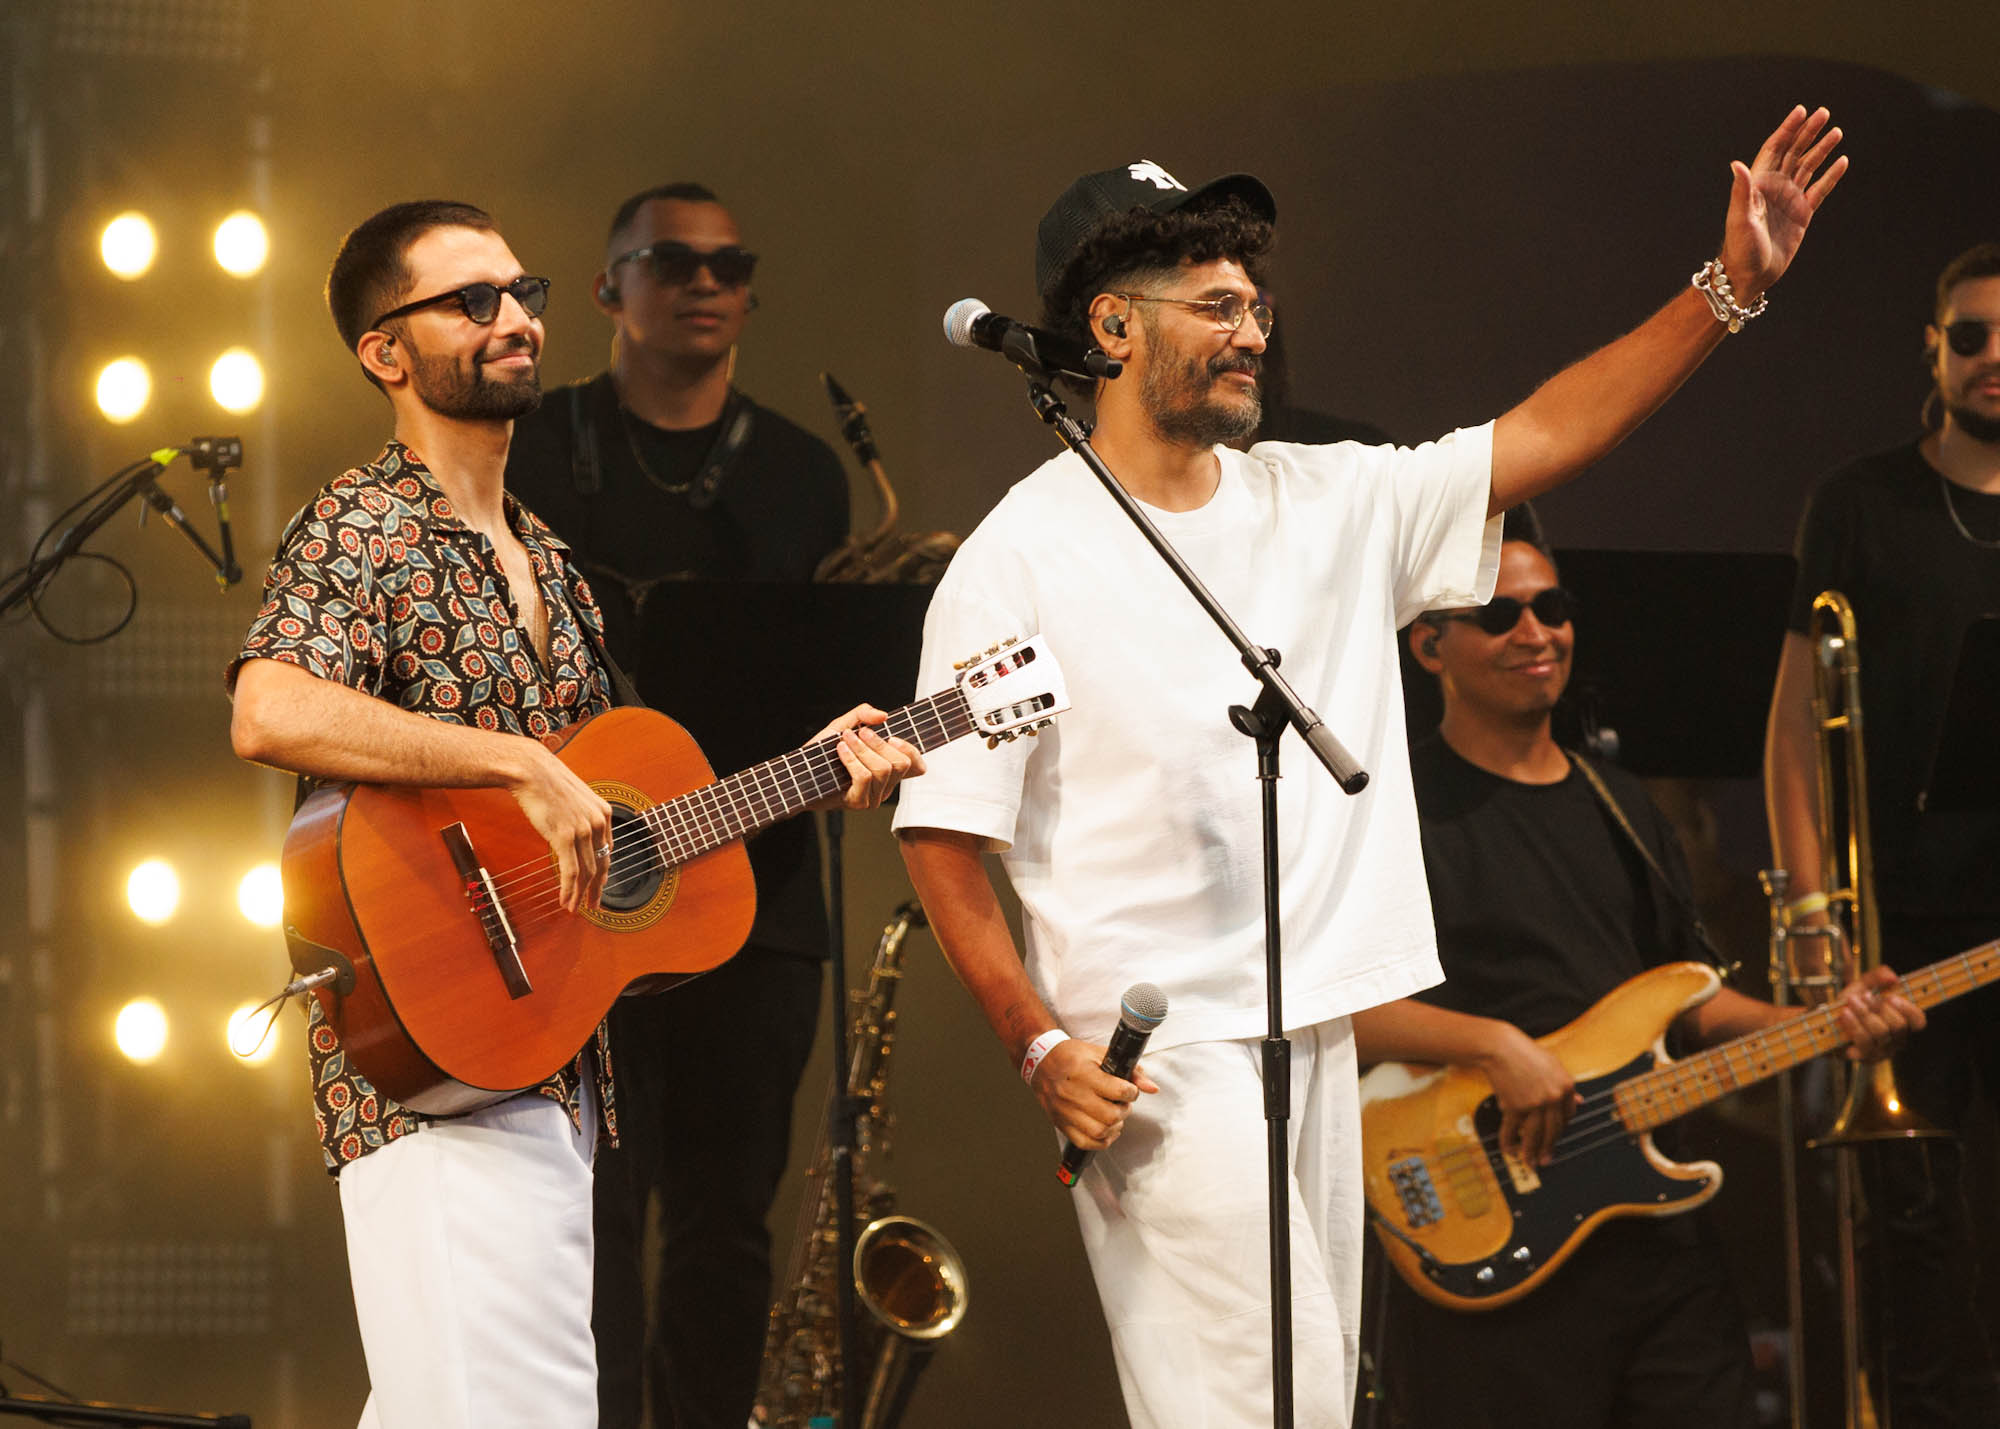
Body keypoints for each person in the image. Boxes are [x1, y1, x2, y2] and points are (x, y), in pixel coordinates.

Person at [893, 107, 1849, 1429]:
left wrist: (1728, 289)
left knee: (1314, 1404)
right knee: (1242, 1405)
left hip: (1316, 1029)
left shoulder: (1324, 498)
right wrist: (1035, 1037)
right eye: (1215, 302)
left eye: (1257, 302)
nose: (1251, 330)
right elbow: (942, 825)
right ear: (1112, 328)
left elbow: (1547, 434)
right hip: (1162, 1057)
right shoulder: (1021, 556)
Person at [226, 199, 918, 1429]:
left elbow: (631, 820)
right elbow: (271, 708)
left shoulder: (549, 558)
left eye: (521, 292)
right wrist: (513, 764)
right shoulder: (363, 521)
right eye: (471, 300)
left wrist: (806, 765)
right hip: (423, 1047)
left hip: (551, 1056)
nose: (514, 318)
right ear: (385, 352)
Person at [1350, 520, 1919, 1429]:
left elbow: (1686, 999)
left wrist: (1826, 1024)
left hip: (1655, 1243)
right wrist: (1495, 1046)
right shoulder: (1392, 817)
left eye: (1554, 608)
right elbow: (1331, 1010)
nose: (1537, 633)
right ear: (1429, 646)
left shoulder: (1623, 804)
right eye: (1500, 615)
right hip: (1491, 1227)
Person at [504, 181, 851, 1429]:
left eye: (729, 264)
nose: (705, 283)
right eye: (672, 262)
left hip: (755, 900)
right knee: (585, 1211)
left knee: (722, 1223)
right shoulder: (528, 449)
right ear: (608, 289)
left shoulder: (810, 476)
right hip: (573, 891)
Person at [1764, 240, 2000, 1427]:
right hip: (1903, 939)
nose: (1992, 358)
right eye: (1968, 336)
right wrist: (1812, 913)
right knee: (1919, 1252)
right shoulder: (1859, 503)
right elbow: (1796, 728)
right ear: (1932, 347)